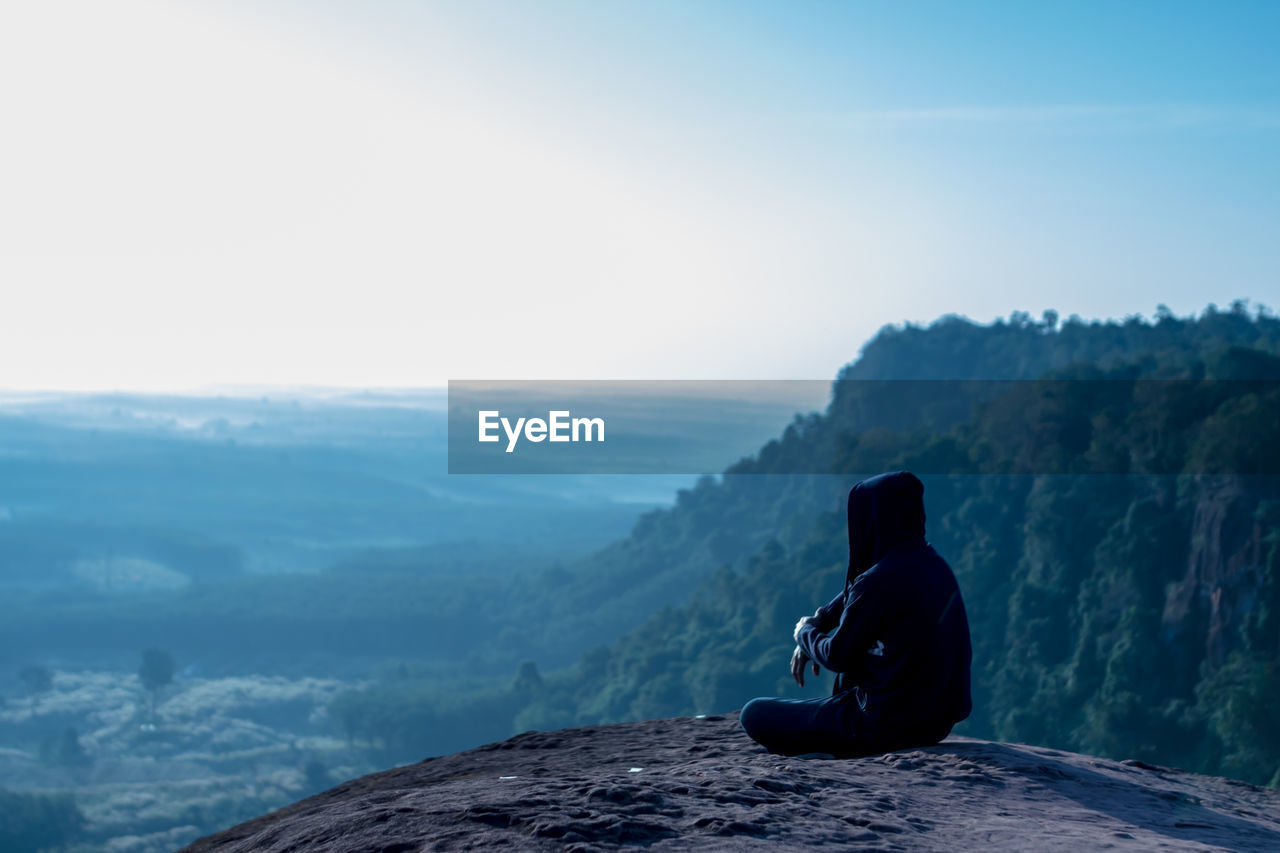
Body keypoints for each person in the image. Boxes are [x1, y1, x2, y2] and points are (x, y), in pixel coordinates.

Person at [738, 471, 972, 757]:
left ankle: (836, 738)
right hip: (936, 724)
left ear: (874, 519)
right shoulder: (932, 564)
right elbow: (856, 596)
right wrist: (822, 618)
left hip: (884, 727)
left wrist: (804, 633)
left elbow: (837, 655)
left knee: (754, 714)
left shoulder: (879, 581)